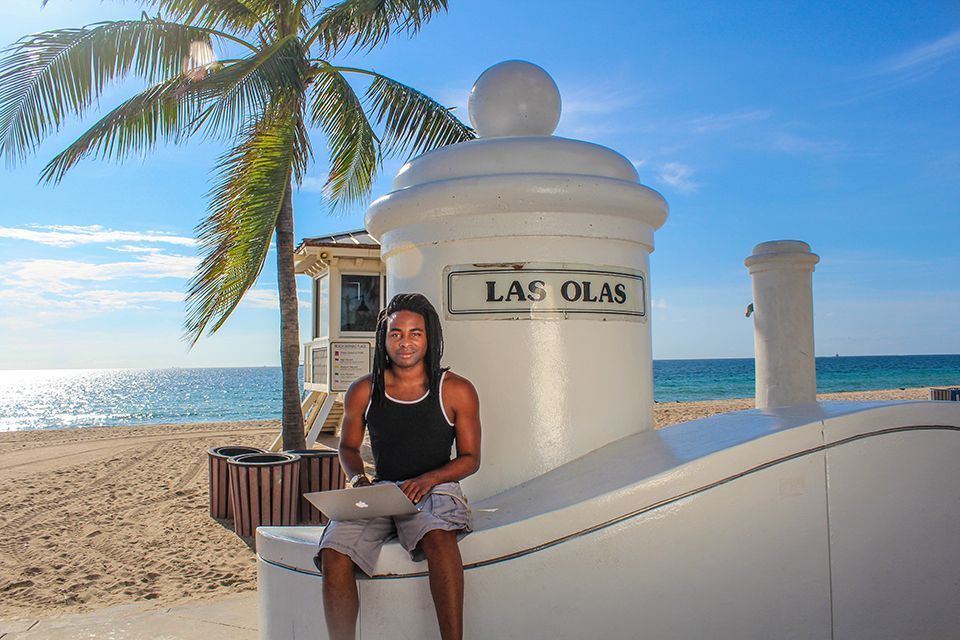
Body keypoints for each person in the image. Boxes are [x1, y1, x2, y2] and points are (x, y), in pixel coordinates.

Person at [317, 293, 482, 640]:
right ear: (384, 339)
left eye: (415, 333)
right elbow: (347, 447)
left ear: (429, 336)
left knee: (438, 536)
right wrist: (359, 479)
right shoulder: (363, 390)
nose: (405, 342)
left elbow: (471, 458)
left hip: (435, 486)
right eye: (396, 334)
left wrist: (429, 479)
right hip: (382, 490)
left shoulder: (456, 390)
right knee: (333, 553)